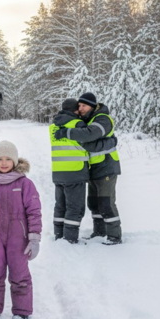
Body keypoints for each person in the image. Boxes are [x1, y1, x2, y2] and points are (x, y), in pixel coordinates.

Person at [0, 141, 42, 319]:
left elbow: (34, 211)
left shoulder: (25, 183)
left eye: (8, 159)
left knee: (19, 273)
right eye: (0, 159)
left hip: (18, 235)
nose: (4, 163)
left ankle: (22, 310)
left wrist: (34, 238)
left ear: (15, 161)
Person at [54, 92, 122, 245]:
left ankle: (114, 236)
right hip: (93, 168)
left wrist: (67, 133)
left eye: (84, 105)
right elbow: (87, 143)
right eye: (79, 106)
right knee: (93, 203)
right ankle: (99, 232)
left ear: (92, 106)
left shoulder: (102, 119)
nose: (81, 109)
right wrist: (110, 142)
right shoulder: (88, 119)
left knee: (106, 203)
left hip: (106, 166)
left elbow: (89, 136)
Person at [49, 98, 89, 244]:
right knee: (75, 207)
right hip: (75, 171)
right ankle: (70, 239)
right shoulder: (77, 124)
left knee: (60, 205)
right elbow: (88, 141)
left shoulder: (53, 126)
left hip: (58, 171)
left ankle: (59, 235)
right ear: (75, 110)